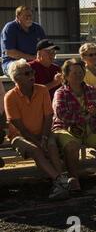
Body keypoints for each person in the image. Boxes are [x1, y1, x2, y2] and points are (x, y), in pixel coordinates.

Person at [4, 59, 69, 199]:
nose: (32, 75)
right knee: (36, 149)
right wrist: (39, 142)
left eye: (32, 72)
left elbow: (48, 117)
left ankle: (59, 184)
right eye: (27, 73)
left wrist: (44, 137)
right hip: (19, 137)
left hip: (44, 132)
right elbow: (19, 127)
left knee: (51, 146)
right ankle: (60, 180)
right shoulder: (10, 96)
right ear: (16, 78)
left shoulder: (42, 89)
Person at [53, 59, 96, 189]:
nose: (79, 75)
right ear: (66, 75)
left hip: (90, 127)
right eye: (74, 72)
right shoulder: (61, 93)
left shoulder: (91, 89)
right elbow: (62, 115)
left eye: (81, 72)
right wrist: (86, 117)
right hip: (66, 128)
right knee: (71, 146)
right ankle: (73, 178)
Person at [1, 6, 46, 76]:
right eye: (26, 16)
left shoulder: (38, 28)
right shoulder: (10, 28)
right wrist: (34, 58)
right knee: (22, 69)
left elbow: (45, 47)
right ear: (18, 17)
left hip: (35, 61)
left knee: (53, 68)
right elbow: (10, 52)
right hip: (13, 62)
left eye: (30, 15)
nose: (29, 18)